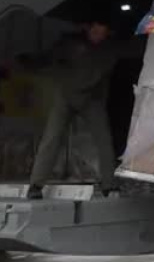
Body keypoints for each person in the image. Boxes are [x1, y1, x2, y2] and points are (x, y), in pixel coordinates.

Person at [14, 19, 145, 199]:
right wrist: (25, 60)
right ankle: (35, 185)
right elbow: (47, 58)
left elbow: (134, 49)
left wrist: (153, 36)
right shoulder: (70, 43)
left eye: (102, 34)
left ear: (107, 34)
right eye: (95, 32)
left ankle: (109, 185)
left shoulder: (110, 48)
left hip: (91, 100)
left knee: (104, 140)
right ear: (88, 29)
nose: (98, 36)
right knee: (51, 138)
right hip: (65, 98)